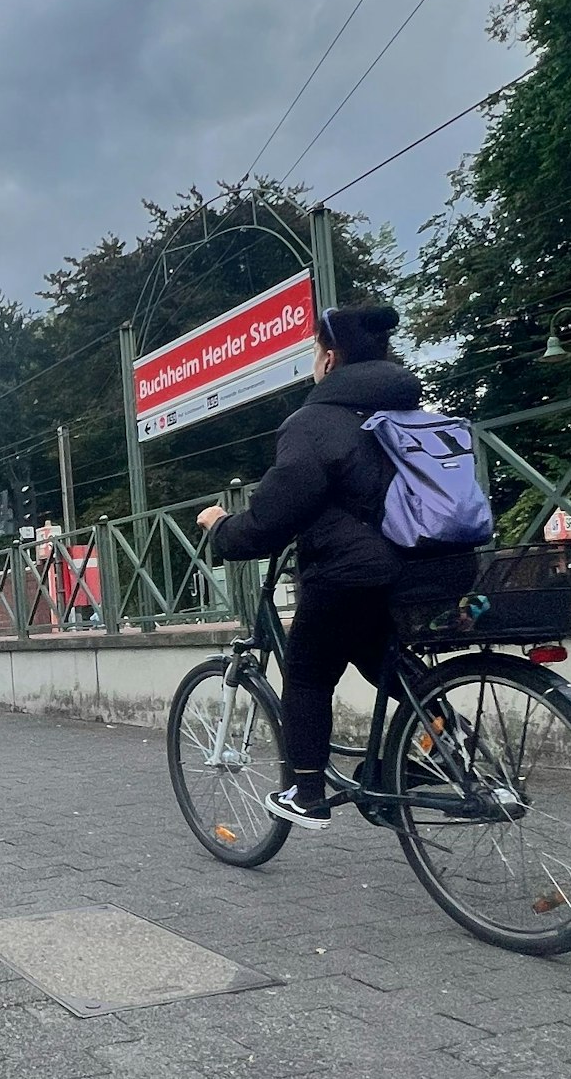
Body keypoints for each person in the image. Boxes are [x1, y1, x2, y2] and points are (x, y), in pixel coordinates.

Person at [197, 304, 469, 830]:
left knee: (307, 670)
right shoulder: (419, 415)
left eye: (314, 351)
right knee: (376, 651)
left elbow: (274, 517)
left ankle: (306, 791)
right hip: (443, 566)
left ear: (330, 357)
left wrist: (220, 528)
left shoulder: (316, 421)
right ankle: (447, 737)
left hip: (356, 573)